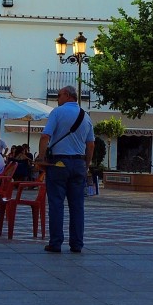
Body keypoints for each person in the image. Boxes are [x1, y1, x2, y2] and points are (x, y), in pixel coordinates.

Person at [38, 85, 95, 254]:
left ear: (68, 95)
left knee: (56, 203)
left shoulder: (57, 112)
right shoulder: (86, 116)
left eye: (59, 95)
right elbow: (91, 144)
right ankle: (77, 244)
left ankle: (55, 243)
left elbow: (45, 136)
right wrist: (87, 165)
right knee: (77, 206)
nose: (57, 98)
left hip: (59, 163)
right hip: (78, 163)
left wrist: (41, 157)